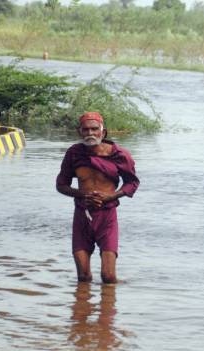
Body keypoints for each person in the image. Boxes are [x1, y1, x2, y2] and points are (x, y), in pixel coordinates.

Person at [56, 112, 139, 284]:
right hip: (82, 215)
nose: (90, 134)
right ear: (80, 132)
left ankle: (111, 305)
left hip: (107, 217)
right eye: (85, 130)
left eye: (94, 129)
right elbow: (61, 185)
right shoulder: (74, 154)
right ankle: (82, 308)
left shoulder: (120, 155)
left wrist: (111, 196)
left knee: (108, 277)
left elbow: (132, 183)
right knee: (83, 277)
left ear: (104, 132)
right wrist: (82, 194)